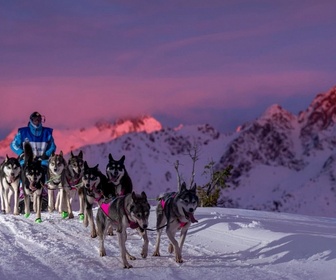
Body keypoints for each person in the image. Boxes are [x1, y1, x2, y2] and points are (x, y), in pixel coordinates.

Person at [10, 111, 56, 213]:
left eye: (39, 120)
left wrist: (47, 154)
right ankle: (23, 191)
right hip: (27, 161)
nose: (37, 122)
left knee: (43, 173)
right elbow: (13, 145)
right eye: (35, 120)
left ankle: (42, 192)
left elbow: (53, 146)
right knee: (24, 173)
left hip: (41, 161)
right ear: (31, 120)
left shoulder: (47, 133)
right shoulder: (22, 132)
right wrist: (22, 153)